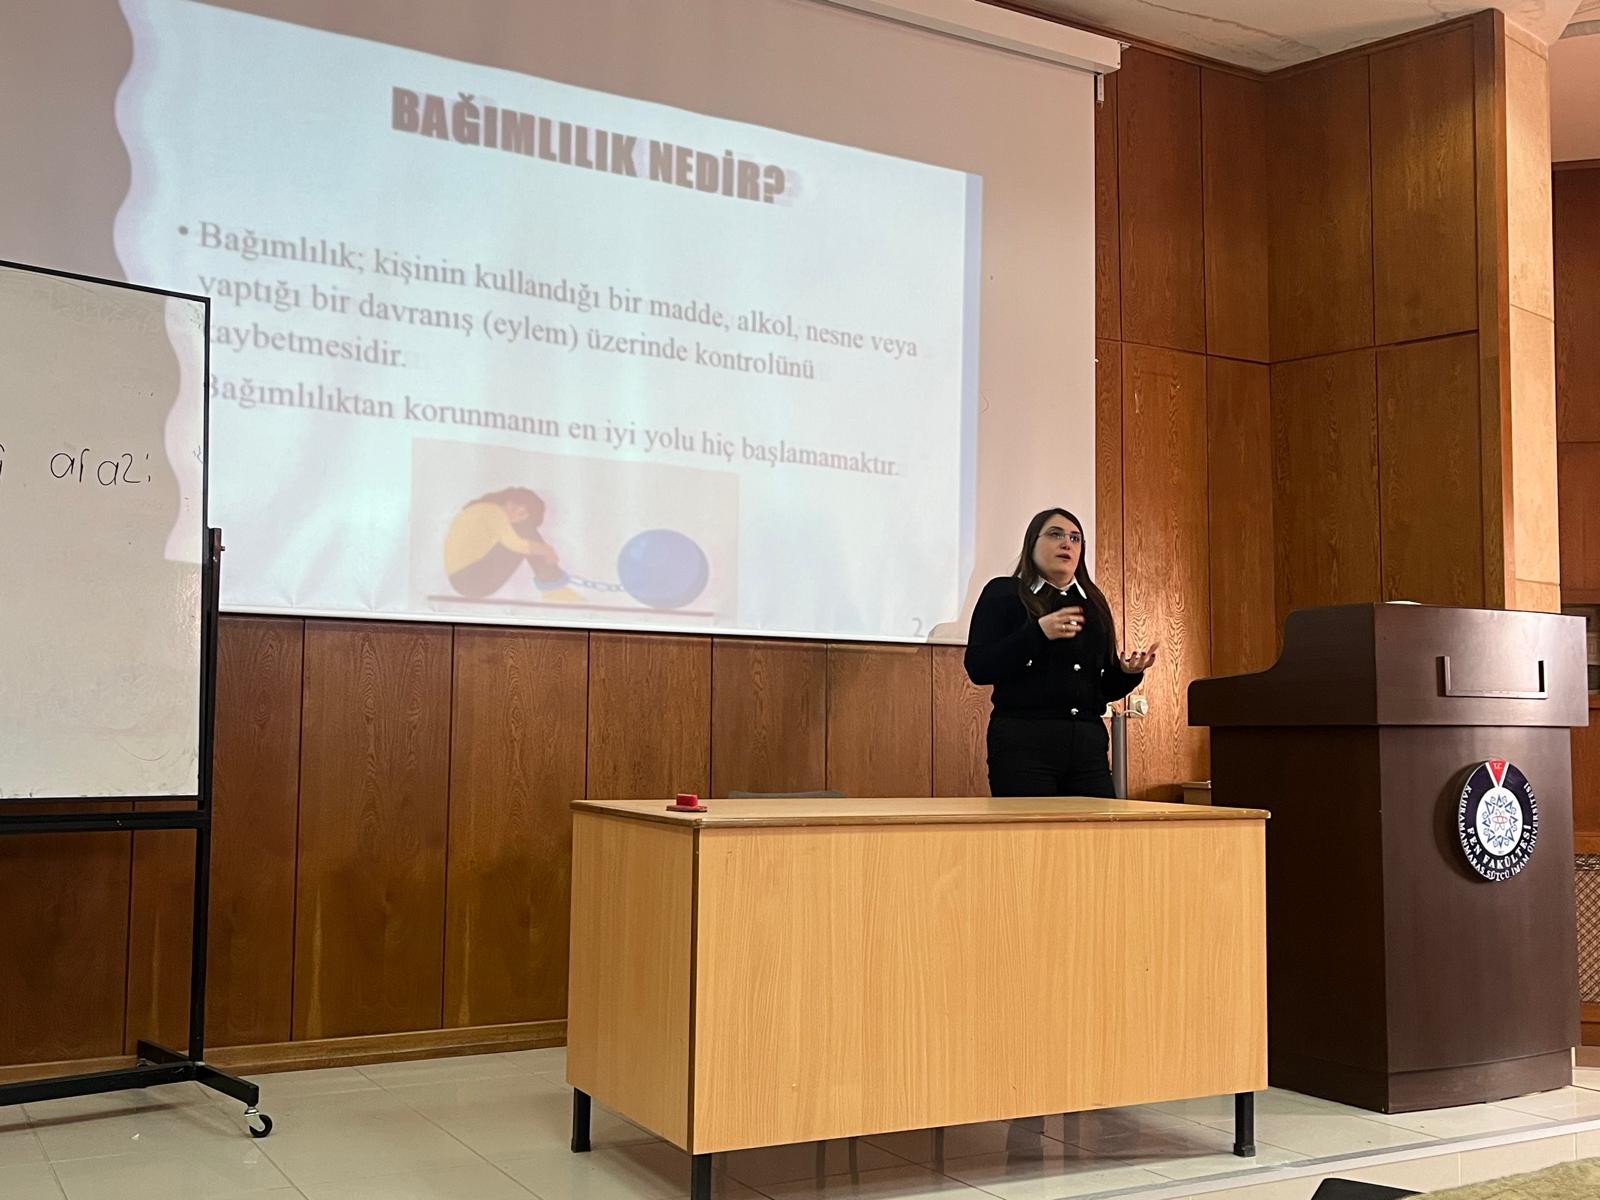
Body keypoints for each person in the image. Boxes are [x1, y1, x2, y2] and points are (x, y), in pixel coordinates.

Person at [964, 508, 1158, 797]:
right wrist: (1038, 634)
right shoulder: (1004, 593)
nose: (1067, 543)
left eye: (1075, 538)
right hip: (1023, 745)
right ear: (1032, 543)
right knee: (1033, 827)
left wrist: (1127, 673)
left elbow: (1099, 691)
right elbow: (979, 667)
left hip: (1088, 748)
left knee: (1098, 826)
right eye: (1055, 534)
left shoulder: (1093, 603)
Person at [443, 487, 583, 602]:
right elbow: (516, 545)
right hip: (471, 578)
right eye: (520, 512)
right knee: (525, 531)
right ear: (510, 502)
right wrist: (547, 550)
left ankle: (553, 585)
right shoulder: (494, 512)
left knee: (524, 533)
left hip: (464, 579)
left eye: (523, 516)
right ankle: (554, 589)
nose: (518, 518)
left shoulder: (483, 509)